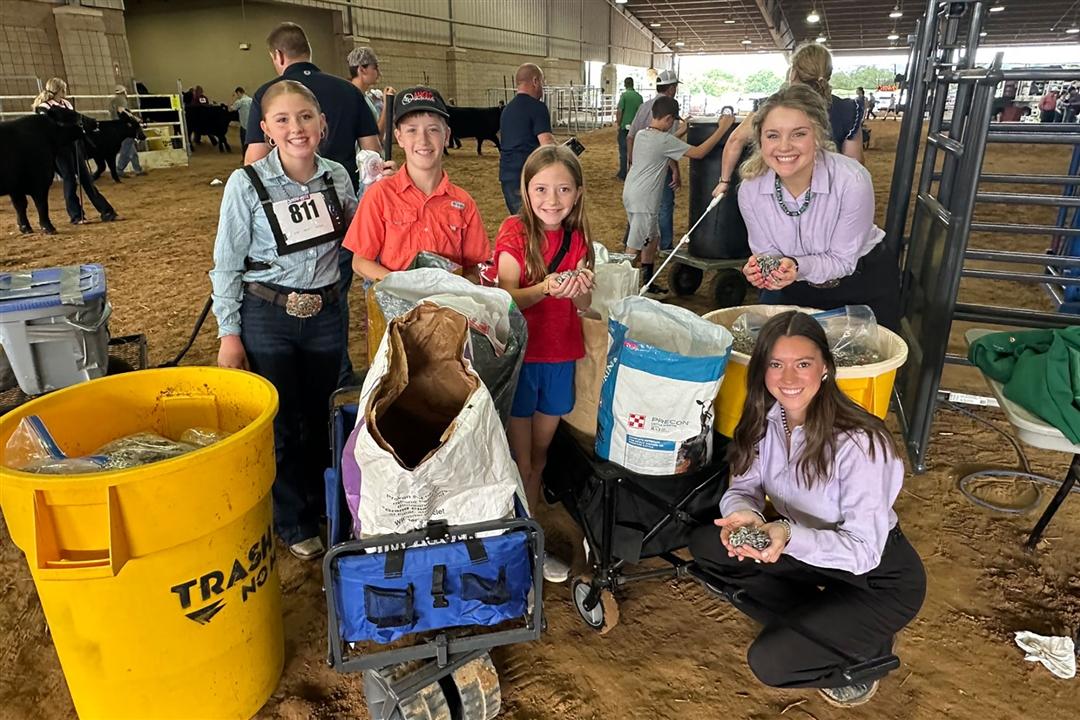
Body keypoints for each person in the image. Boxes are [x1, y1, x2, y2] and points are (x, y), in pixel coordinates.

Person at [689, 311, 925, 706]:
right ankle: (831, 622)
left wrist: (786, 533)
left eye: (803, 364)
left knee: (771, 662)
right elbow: (744, 485)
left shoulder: (860, 443)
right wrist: (745, 514)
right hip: (805, 550)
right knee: (708, 546)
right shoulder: (767, 416)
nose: (788, 378)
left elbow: (864, 551)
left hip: (875, 575)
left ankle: (867, 646)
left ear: (826, 369)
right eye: (776, 364)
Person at [210, 80, 359, 560]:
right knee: (281, 420)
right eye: (282, 119)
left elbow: (358, 240)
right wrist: (229, 333)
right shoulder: (246, 183)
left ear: (322, 123)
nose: (296, 128)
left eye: (305, 117)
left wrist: (383, 191)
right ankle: (292, 519)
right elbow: (227, 262)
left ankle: (322, 503)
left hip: (326, 314)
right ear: (267, 129)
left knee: (323, 415)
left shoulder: (338, 176)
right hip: (268, 313)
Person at [245, 22, 385, 388]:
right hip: (341, 221)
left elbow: (253, 164)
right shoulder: (348, 91)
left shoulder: (268, 93)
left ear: (277, 56)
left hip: (282, 234)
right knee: (333, 295)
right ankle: (336, 379)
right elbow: (372, 153)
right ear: (310, 50)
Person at [494, 144, 595, 583]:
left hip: (560, 357)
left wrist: (581, 288)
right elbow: (506, 294)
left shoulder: (579, 239)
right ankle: (520, 534)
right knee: (522, 459)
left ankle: (527, 523)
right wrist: (546, 288)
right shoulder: (515, 232)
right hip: (523, 359)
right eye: (541, 189)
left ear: (576, 194)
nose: (551, 199)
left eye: (562, 189)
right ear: (526, 190)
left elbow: (586, 302)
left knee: (540, 452)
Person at [736, 84, 901, 331]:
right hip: (793, 283)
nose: (784, 146)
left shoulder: (852, 180)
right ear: (760, 140)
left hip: (859, 283)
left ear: (819, 134)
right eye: (773, 135)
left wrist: (795, 266)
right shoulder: (750, 190)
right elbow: (768, 251)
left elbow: (843, 261)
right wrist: (763, 268)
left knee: (863, 362)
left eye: (798, 134)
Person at [344, 86, 490, 283]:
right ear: (399, 137)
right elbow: (360, 262)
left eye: (433, 130)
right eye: (412, 130)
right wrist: (407, 287)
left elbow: (472, 267)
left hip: (446, 310)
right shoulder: (380, 196)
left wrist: (461, 291)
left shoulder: (463, 203)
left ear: (446, 136)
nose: (423, 140)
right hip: (396, 310)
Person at [714, 42, 863, 202]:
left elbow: (736, 140)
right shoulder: (848, 110)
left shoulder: (770, 106)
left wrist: (724, 181)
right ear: (828, 74)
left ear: (793, 73)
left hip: (776, 193)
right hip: (829, 195)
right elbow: (853, 163)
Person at [623, 96, 733, 294]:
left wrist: (682, 129)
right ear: (667, 119)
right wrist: (723, 129)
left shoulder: (642, 134)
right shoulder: (663, 140)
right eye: (672, 121)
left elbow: (667, 142)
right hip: (645, 201)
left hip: (633, 193)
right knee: (634, 246)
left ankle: (647, 282)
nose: (673, 125)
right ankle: (622, 289)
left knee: (652, 237)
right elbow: (699, 153)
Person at [32, 77, 118, 225]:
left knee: (86, 178)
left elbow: (74, 120)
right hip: (59, 148)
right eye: (63, 89)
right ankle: (76, 215)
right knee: (69, 179)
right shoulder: (44, 107)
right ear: (59, 89)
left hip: (74, 144)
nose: (65, 91)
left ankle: (106, 211)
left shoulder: (66, 103)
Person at [626, 70, 687, 251]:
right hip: (659, 168)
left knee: (639, 217)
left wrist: (633, 161)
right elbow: (668, 144)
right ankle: (665, 247)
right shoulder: (670, 108)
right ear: (671, 88)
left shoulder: (645, 107)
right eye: (675, 87)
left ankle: (638, 244)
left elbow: (630, 136)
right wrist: (675, 170)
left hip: (638, 170)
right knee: (664, 205)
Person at [498, 63, 557, 213]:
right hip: (529, 177)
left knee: (520, 223)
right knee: (536, 227)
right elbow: (547, 144)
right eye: (542, 82)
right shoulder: (537, 107)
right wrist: (563, 152)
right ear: (535, 81)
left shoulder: (507, 110)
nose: (543, 87)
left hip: (507, 177)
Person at [347, 46, 395, 136]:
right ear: (362, 69)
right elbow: (376, 136)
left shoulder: (364, 97)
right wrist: (387, 105)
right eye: (375, 68)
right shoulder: (354, 100)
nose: (379, 73)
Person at [109, 85, 145, 177]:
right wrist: (135, 119)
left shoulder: (113, 101)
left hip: (116, 127)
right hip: (124, 128)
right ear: (123, 92)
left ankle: (137, 169)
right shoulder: (122, 100)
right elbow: (124, 113)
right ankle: (119, 170)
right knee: (126, 149)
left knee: (131, 149)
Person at [615, 77, 643, 180]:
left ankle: (623, 173)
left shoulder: (624, 96)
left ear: (625, 84)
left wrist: (619, 123)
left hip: (624, 126)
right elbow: (641, 113)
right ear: (633, 84)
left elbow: (620, 111)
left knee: (623, 151)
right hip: (636, 128)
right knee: (635, 151)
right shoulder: (639, 97)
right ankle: (634, 173)